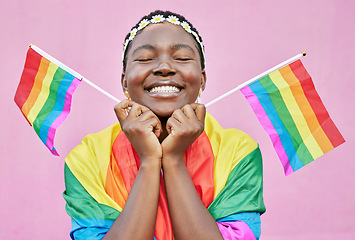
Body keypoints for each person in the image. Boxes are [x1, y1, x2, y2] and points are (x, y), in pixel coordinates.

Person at [63, 10, 266, 240]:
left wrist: (173, 159)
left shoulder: (238, 151)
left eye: (181, 58)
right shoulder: (88, 157)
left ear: (202, 80)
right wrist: (149, 161)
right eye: (144, 59)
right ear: (125, 82)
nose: (164, 67)